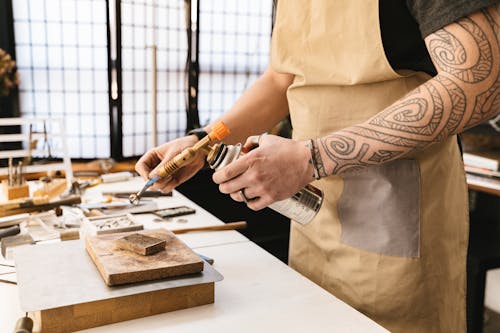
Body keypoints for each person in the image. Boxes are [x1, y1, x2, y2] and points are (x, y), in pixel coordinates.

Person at [136, 1, 499, 332]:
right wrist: (204, 142)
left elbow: (481, 82)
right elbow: (280, 79)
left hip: (396, 216)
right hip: (312, 212)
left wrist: (313, 157)